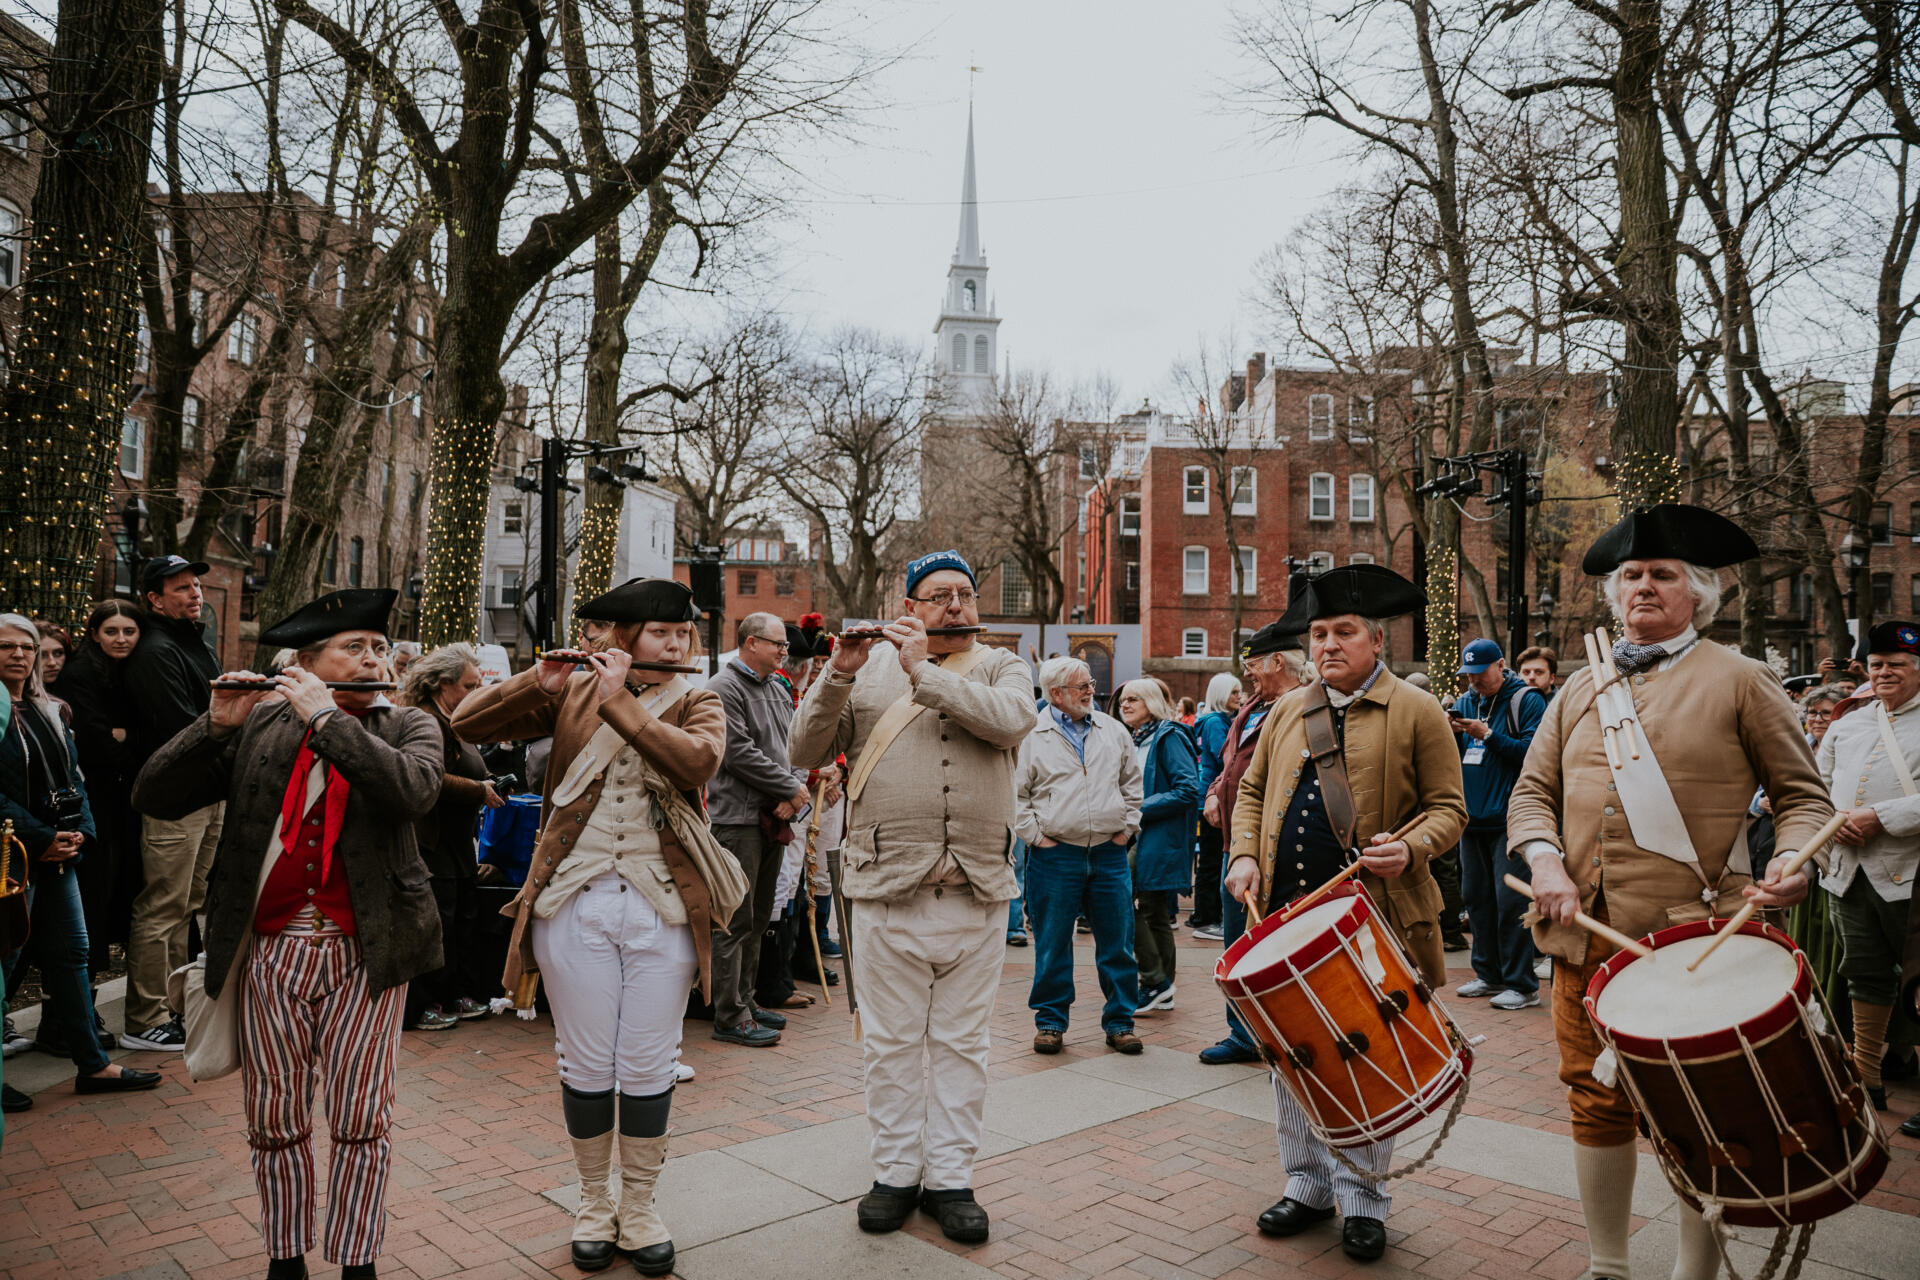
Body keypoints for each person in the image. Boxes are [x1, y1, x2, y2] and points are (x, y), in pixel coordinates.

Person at [1506, 504, 1827, 1280]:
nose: (1643, 586)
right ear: (1615, 596)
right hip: (1587, 936)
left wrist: (1793, 861)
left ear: (1701, 594)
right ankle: (1607, 1266)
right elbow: (1531, 793)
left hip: (1698, 943)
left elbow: (1804, 799)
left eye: (1662, 574)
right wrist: (1544, 860)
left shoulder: (1745, 679)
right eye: (1632, 577)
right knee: (1594, 1100)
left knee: (1704, 1114)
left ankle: (1695, 1274)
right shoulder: (1582, 685)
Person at [132, 588, 445, 1280]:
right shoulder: (261, 724)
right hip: (269, 950)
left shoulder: (410, 726)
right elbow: (153, 793)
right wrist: (212, 726)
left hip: (368, 952)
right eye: (354, 647)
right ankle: (285, 1255)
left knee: (362, 1115)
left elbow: (414, 792)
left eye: (378, 646)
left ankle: (357, 1257)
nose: (374, 658)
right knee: (275, 1117)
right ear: (306, 661)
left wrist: (329, 720)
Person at [452, 578, 727, 1276]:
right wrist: (532, 682)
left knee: (646, 1062)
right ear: (624, 636)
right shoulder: (572, 688)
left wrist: (621, 701)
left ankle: (639, 1207)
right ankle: (593, 1202)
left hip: (663, 902)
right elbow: (466, 725)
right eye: (661, 632)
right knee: (584, 1062)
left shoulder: (700, 696)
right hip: (573, 898)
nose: (676, 643)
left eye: (682, 634)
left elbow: (697, 761)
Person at [789, 550, 1031, 1245]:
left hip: (977, 890)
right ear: (909, 608)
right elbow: (802, 744)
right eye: (938, 595)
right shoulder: (863, 676)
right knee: (890, 1047)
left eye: (964, 594)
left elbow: (1011, 723)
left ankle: (952, 1177)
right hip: (886, 890)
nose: (955, 605)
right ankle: (895, 1173)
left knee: (963, 1046)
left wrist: (921, 671)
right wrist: (838, 671)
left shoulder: (1004, 667)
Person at [1224, 564, 1465, 1264]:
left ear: (1376, 640)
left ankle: (1363, 1198)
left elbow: (1451, 809)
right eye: (1320, 633)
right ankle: (1306, 1185)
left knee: (1364, 1053)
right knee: (1290, 1057)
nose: (1328, 644)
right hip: (1282, 915)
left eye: (1344, 632)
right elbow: (1251, 793)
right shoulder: (1287, 709)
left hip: (1371, 919)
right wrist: (1243, 856)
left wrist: (1411, 849)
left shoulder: (1416, 710)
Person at [0, 615, 161, 1096]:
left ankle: (92, 1065)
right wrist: (40, 836)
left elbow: (74, 779)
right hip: (10, 856)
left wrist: (81, 833)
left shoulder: (50, 708)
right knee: (4, 961)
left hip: (60, 854)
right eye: (5, 646)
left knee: (74, 955)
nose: (19, 655)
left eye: (26, 647)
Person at [1813, 621, 1920, 1111]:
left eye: (1897, 665)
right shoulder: (1846, 723)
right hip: (1848, 871)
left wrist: (1883, 816)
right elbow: (1815, 788)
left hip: (1912, 874)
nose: (1884, 673)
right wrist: (1837, 821)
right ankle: (1867, 1075)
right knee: (1864, 972)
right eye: (1877, 665)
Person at [121, 554, 224, 1052]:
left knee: (189, 905)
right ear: (155, 599)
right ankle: (144, 1019)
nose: (194, 594)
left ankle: (172, 1007)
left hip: (209, 794)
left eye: (195, 586)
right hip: (173, 799)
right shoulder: (156, 650)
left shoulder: (194, 644)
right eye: (180, 589)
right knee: (162, 907)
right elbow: (181, 726)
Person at [1016, 657, 1143, 1055]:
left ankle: (1121, 1022)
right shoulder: (1031, 735)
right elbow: (1014, 795)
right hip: (1055, 857)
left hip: (1108, 853)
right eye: (1082, 686)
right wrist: (1037, 838)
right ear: (1056, 694)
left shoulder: (1113, 730)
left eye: (1090, 683)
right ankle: (1051, 1021)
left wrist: (1128, 828)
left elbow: (1132, 784)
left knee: (1119, 943)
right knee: (1053, 943)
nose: (1092, 691)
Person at [1198, 627, 1306, 1066]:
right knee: (1235, 940)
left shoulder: (1301, 708)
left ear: (1277, 662)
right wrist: (1213, 792)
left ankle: (1284, 1034)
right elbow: (1229, 764)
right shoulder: (1249, 710)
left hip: (1275, 848)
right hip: (1234, 846)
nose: (1247, 675)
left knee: (1272, 942)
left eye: (1253, 666)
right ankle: (1242, 1033)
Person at [704, 612, 810, 1047]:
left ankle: (745, 1001)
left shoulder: (777, 688)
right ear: (750, 643)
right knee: (735, 918)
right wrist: (792, 788)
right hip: (739, 820)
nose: (784, 651)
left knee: (760, 914)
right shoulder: (722, 688)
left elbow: (794, 743)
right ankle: (728, 1014)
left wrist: (794, 790)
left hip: (774, 816)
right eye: (778, 644)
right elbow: (738, 753)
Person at [400, 643, 502, 1032]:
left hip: (458, 842)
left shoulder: (457, 718)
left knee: (461, 921)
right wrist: (478, 789)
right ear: (443, 684)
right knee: (435, 924)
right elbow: (429, 776)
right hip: (431, 841)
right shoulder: (423, 720)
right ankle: (424, 1003)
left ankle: (455, 993)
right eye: (469, 685)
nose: (475, 693)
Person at [1448, 639, 1546, 1010]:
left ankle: (1522, 985)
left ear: (1500, 664)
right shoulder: (1464, 703)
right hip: (1471, 820)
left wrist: (1486, 735)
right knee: (1477, 900)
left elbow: (1533, 753)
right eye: (1468, 674)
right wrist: (1450, 733)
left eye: (1480, 673)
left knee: (1511, 902)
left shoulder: (1526, 700)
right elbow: (1452, 758)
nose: (1473, 681)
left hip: (1510, 818)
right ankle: (1488, 975)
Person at [1118, 679, 1197, 1013]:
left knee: (1120, 898)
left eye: (1133, 699)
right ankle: (1163, 987)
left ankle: (1154, 980)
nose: (1125, 704)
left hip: (1155, 833)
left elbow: (1188, 789)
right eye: (1122, 700)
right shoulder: (1137, 737)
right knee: (1152, 909)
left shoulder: (1169, 736)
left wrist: (1139, 807)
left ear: (1150, 702)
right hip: (1138, 832)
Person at [1190, 673, 1242, 939]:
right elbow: (1226, 757)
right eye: (1234, 693)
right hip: (1211, 798)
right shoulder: (1215, 723)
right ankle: (1205, 918)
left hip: (1210, 795)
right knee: (1211, 860)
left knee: (1210, 859)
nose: (1239, 697)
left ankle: (1205, 915)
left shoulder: (1214, 721)